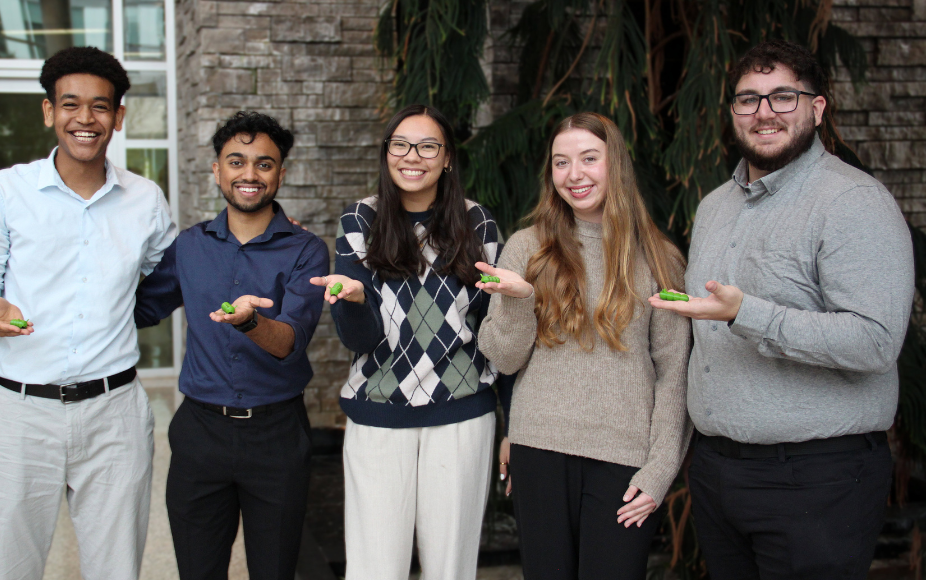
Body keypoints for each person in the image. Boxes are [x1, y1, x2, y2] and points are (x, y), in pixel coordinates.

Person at [650, 39, 915, 579]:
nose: (764, 112)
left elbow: (876, 342)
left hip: (817, 481)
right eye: (748, 99)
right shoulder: (715, 206)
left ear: (817, 109)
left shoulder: (852, 202)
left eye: (782, 97)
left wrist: (745, 314)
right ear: (733, 114)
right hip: (720, 473)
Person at [0, 47, 176, 580]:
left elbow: (166, 277)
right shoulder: (3, 193)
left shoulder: (145, 199)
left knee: (117, 567)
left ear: (118, 117)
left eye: (100, 107)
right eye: (71, 105)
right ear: (48, 111)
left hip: (114, 412)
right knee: (10, 567)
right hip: (21, 413)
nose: (85, 119)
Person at [476, 112, 692, 580]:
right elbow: (506, 359)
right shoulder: (526, 247)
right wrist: (518, 302)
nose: (574, 175)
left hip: (624, 458)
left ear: (615, 164)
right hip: (539, 449)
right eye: (561, 162)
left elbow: (675, 371)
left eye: (589, 159)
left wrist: (660, 469)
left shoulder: (659, 258)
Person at [134, 111, 329, 580]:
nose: (249, 174)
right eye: (236, 161)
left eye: (264, 164)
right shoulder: (189, 246)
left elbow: (289, 343)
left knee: (275, 571)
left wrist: (250, 323)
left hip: (276, 436)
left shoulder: (307, 249)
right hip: (200, 433)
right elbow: (139, 310)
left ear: (281, 174)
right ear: (216, 171)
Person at [310, 104, 500, 580]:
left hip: (461, 413)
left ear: (448, 158)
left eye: (428, 145)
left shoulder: (478, 224)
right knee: (375, 567)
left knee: (451, 568)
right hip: (378, 413)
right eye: (400, 144)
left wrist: (511, 421)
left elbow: (492, 330)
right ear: (387, 152)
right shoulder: (360, 218)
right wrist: (351, 301)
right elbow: (363, 339)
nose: (412, 156)